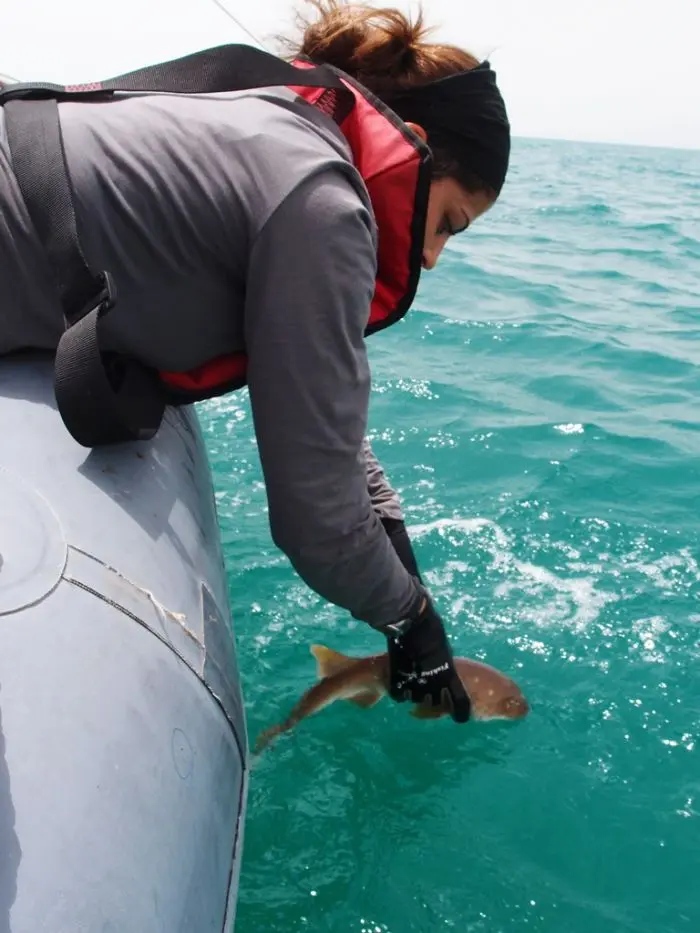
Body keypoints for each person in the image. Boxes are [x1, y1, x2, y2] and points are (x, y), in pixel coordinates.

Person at [0, 1, 510, 723]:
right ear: (417, 145)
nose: (431, 256)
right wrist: (410, 618)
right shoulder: (325, 203)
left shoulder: (273, 127)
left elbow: (325, 421)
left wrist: (393, 541)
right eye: (450, 223)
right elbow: (316, 522)